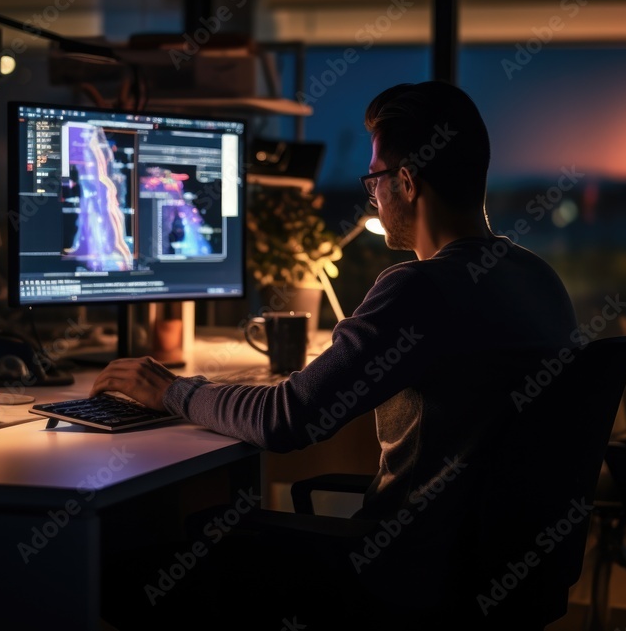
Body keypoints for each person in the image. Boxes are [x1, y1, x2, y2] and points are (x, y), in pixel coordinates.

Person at [94, 81, 579, 630]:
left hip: (403, 578)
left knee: (121, 572)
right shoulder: (541, 279)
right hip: (499, 574)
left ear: (405, 182)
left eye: (375, 179)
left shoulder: (420, 288)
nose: (373, 195)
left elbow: (287, 419)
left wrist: (172, 391)